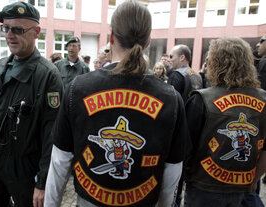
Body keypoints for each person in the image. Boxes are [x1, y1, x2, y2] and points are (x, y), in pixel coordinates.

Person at [44, 1, 189, 206]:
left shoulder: (78, 89)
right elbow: (173, 171)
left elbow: (59, 162)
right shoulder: (171, 98)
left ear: (111, 37)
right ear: (148, 42)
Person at [0, 2, 63, 207]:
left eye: (17, 29)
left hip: (24, 167)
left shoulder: (47, 76)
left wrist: (43, 182)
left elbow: (51, 135)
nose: (9, 34)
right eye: (6, 28)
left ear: (36, 32)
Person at [184, 37, 266, 207]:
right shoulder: (264, 99)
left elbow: (184, 149)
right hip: (243, 188)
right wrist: (254, 178)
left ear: (216, 63)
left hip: (204, 188)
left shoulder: (202, 99)